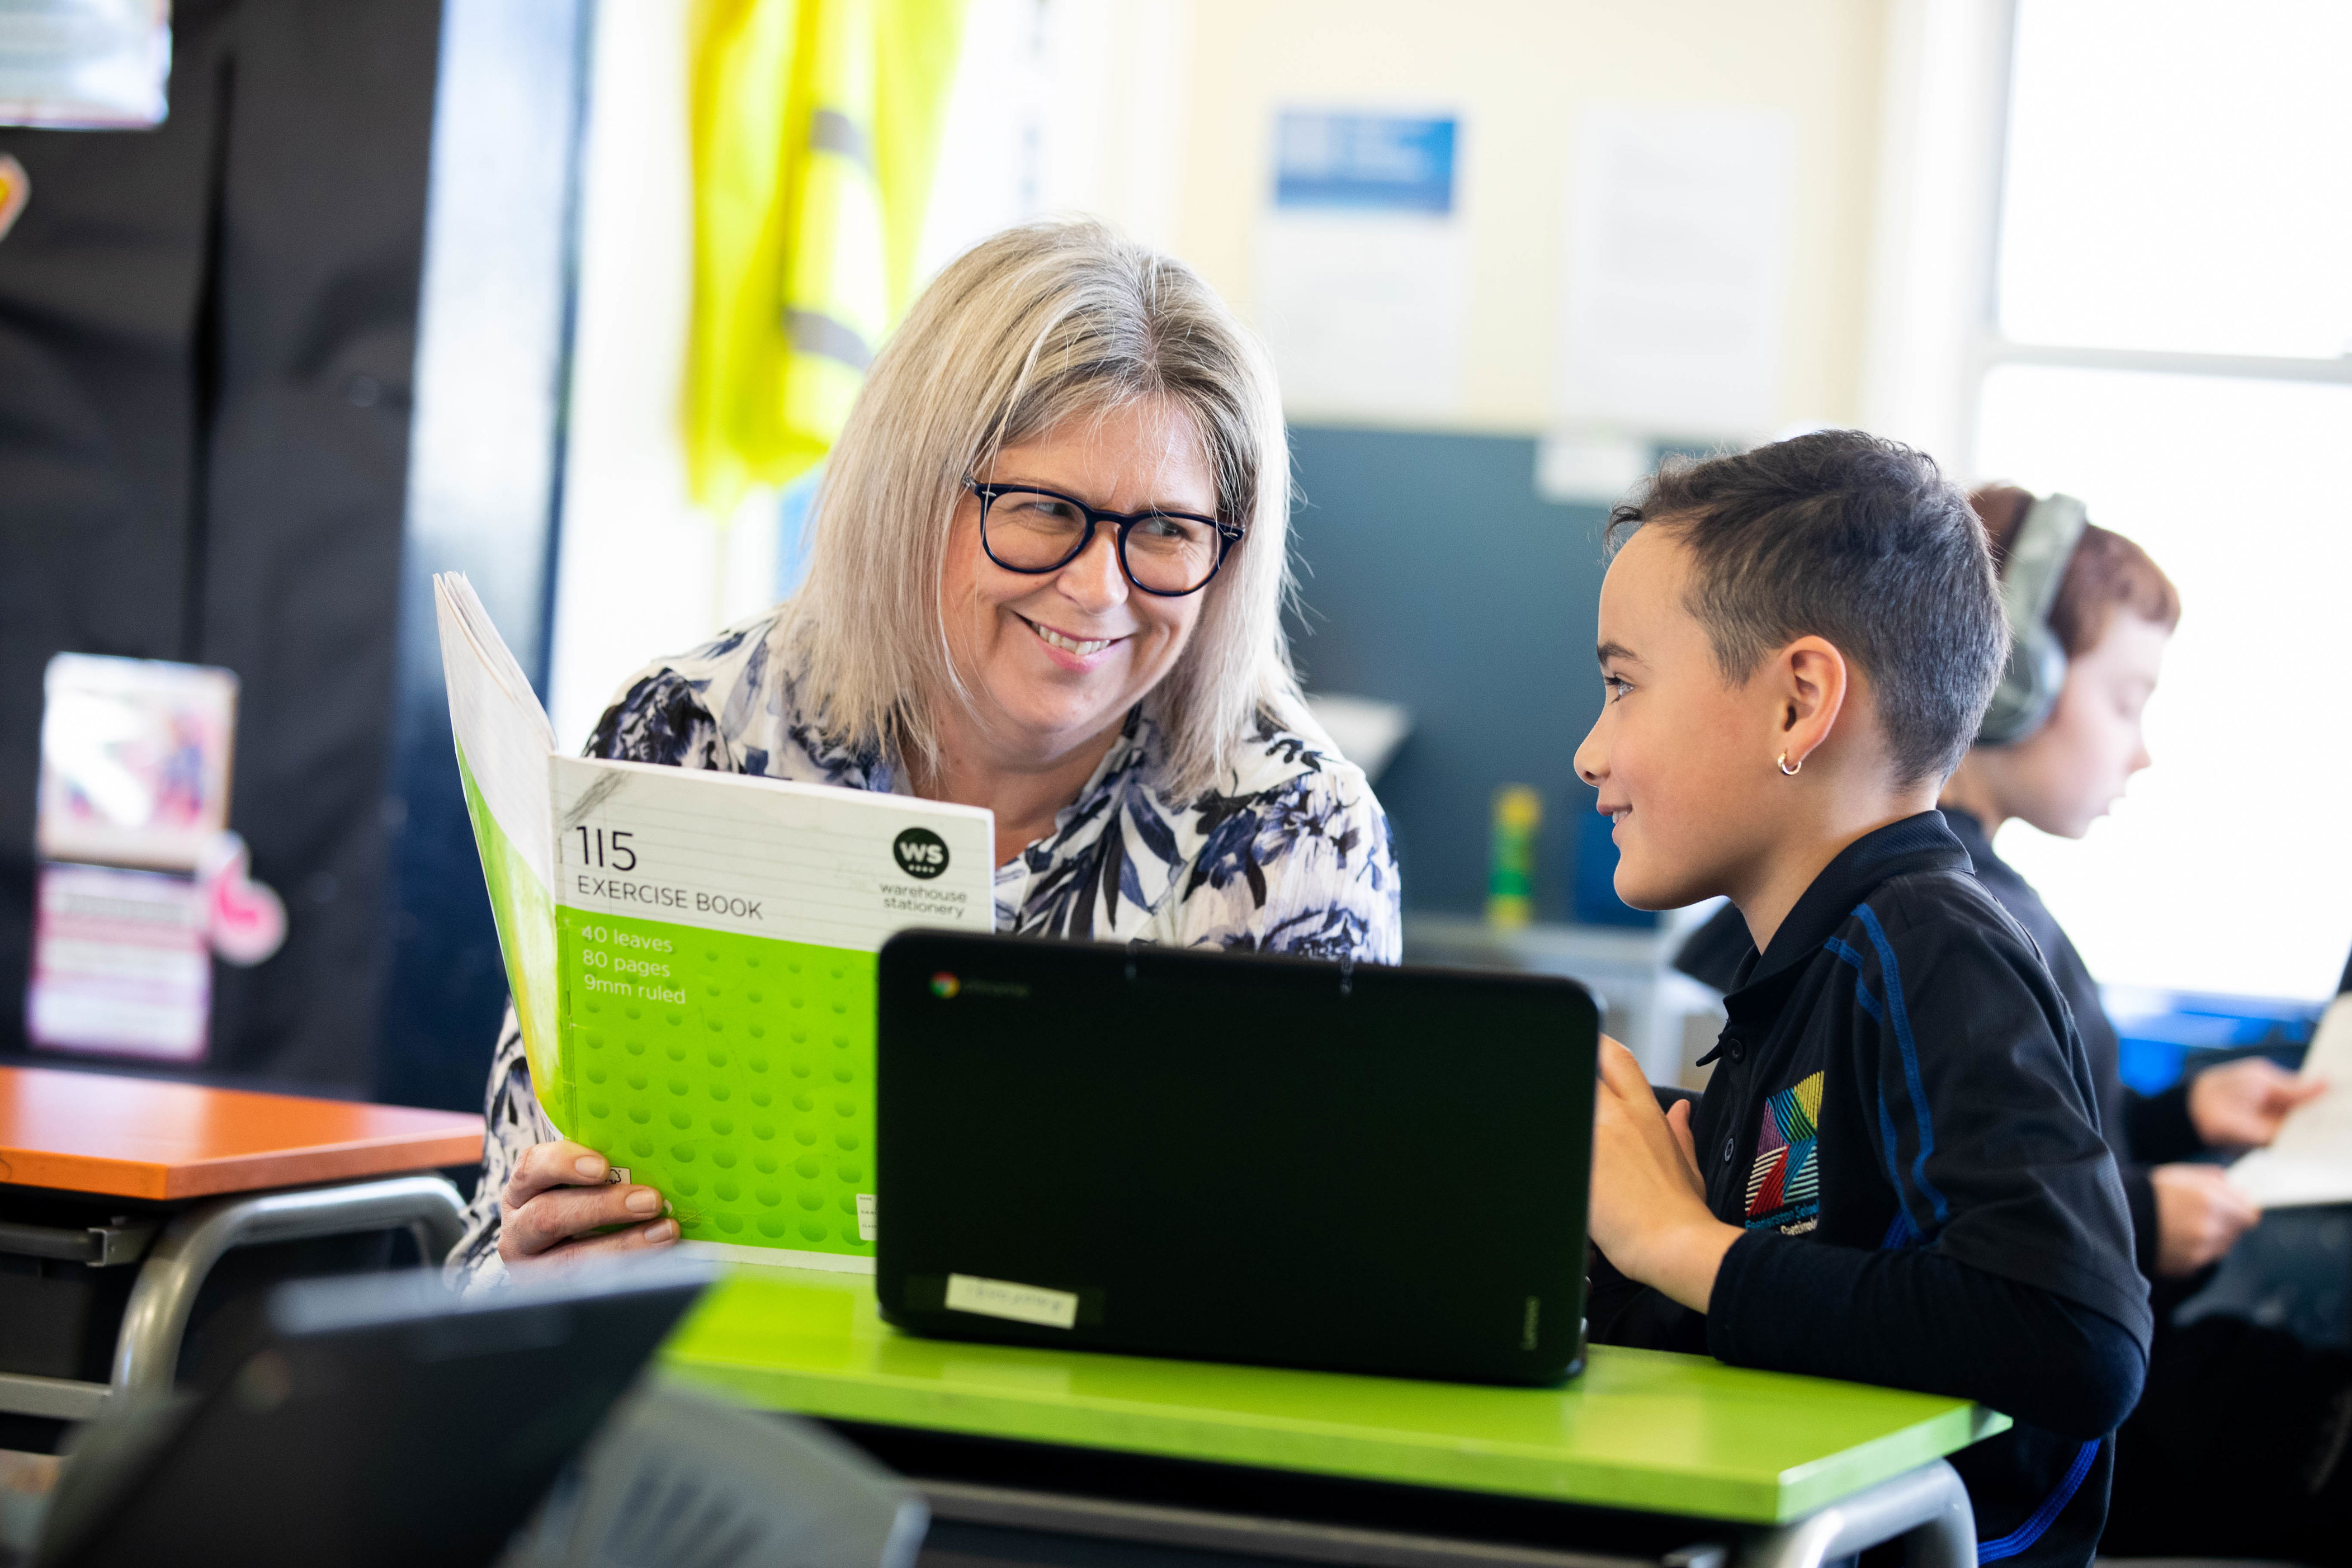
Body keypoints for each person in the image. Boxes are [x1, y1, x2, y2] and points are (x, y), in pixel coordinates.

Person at [447, 220, 1400, 1286]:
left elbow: (1315, 1294)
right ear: (911, 495)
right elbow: (492, 1244)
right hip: (708, 1402)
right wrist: (532, 1267)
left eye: (1167, 532)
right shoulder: (690, 738)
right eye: (1044, 512)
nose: (1099, 590)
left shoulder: (1287, 832)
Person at [1576, 431, 2148, 1568]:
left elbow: (2077, 1332)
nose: (1593, 750)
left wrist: (1682, 1245)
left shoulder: (1930, 945)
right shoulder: (1802, 969)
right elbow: (1792, 1310)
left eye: (1623, 684)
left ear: (1799, 703)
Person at [1937, 487, 2344, 1562]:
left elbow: (2025, 1140)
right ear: (2016, 677)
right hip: (2069, 1422)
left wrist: (2171, 1120)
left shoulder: (1983, 895)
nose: (2141, 749)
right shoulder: (1951, 920)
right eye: (2126, 700)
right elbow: (1930, 1203)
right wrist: (2137, 1215)